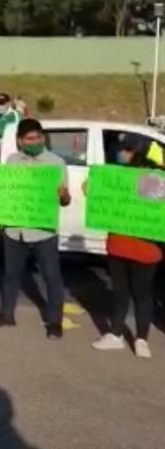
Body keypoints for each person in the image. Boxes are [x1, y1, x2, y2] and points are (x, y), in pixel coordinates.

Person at [0, 118, 70, 339]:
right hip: (15, 229)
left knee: (52, 276)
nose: (36, 141)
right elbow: (5, 192)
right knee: (11, 273)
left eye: (39, 137)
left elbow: (65, 201)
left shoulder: (56, 163)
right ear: (20, 141)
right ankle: (6, 315)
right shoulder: (12, 161)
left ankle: (54, 322)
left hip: (43, 230)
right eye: (30, 138)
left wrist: (64, 195)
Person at [88, 135, 162, 358]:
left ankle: (139, 338)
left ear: (136, 153)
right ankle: (118, 335)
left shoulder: (152, 179)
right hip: (121, 246)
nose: (122, 154)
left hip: (142, 249)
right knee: (125, 293)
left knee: (139, 294)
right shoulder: (116, 177)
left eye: (127, 150)